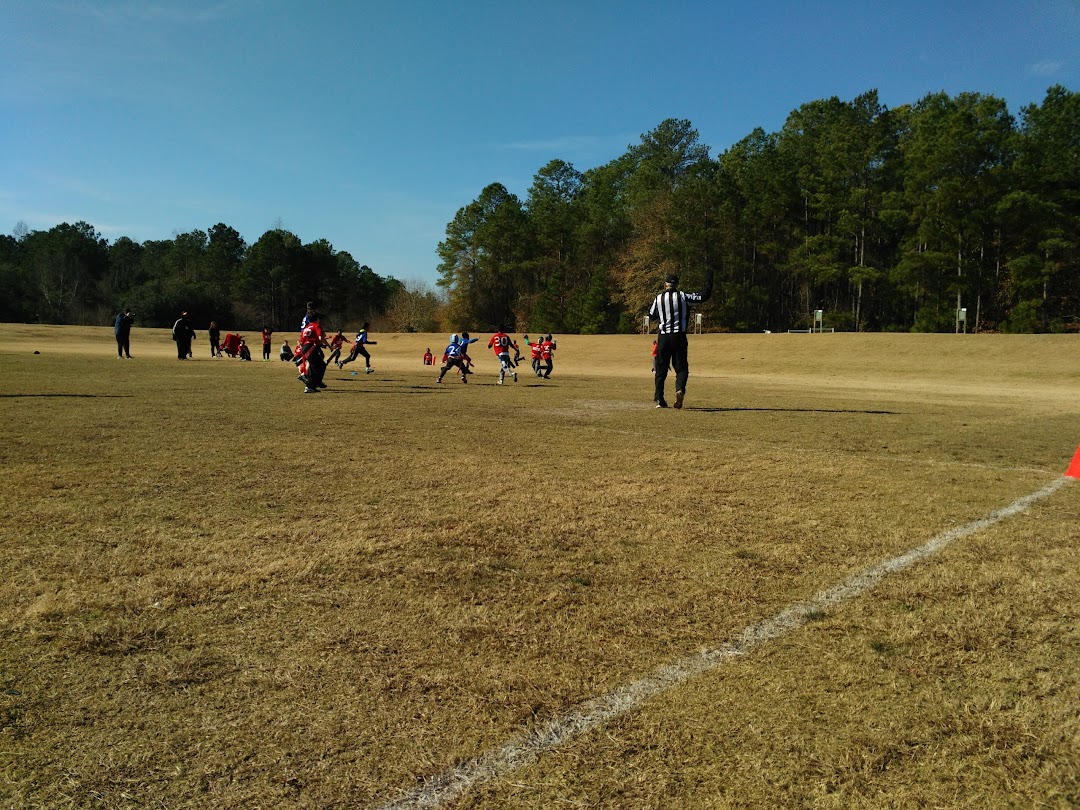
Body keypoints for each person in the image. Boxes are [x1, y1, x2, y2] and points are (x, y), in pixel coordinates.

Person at [648, 271, 712, 409]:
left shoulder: (658, 298)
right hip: (679, 337)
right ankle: (680, 389)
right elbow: (703, 296)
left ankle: (659, 399)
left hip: (664, 337)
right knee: (681, 368)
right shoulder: (683, 296)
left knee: (661, 368)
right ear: (676, 284)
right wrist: (709, 280)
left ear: (665, 284)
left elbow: (651, 315)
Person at [297, 311, 328, 393]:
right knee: (314, 367)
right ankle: (309, 386)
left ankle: (315, 383)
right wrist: (320, 343)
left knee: (321, 365)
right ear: (317, 319)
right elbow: (320, 336)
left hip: (306, 347)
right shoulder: (316, 325)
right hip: (312, 347)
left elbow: (301, 341)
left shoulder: (307, 327)